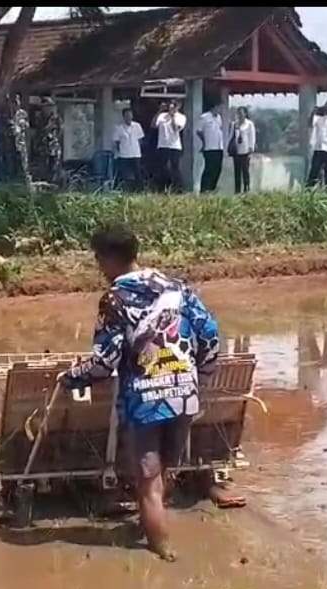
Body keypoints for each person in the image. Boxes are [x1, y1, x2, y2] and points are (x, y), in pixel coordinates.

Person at [60, 224, 220, 562]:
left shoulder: (115, 299)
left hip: (145, 401)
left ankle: (160, 547)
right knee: (164, 471)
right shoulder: (178, 288)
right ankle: (156, 528)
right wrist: (199, 378)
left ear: (108, 259)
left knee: (147, 483)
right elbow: (210, 336)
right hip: (184, 395)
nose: (100, 269)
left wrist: (70, 379)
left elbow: (104, 363)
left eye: (99, 261)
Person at [153, 100, 186, 192]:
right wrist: (159, 111)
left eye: (174, 106)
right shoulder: (162, 116)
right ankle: (163, 187)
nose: (171, 107)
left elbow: (176, 129)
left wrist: (172, 117)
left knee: (175, 167)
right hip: (162, 145)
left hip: (175, 146)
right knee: (162, 167)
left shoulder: (181, 117)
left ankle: (178, 187)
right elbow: (154, 125)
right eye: (170, 105)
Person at [113, 107, 145, 192]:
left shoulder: (137, 126)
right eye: (126, 115)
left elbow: (140, 139)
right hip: (124, 154)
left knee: (138, 173)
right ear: (123, 116)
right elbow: (117, 142)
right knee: (124, 174)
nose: (129, 117)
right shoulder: (119, 128)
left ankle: (139, 191)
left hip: (136, 153)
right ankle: (125, 190)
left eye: (130, 115)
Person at [197, 103, 225, 193]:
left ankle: (212, 188)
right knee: (209, 168)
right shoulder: (205, 117)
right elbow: (199, 131)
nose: (220, 110)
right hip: (209, 147)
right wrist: (204, 141)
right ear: (215, 107)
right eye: (219, 107)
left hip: (219, 147)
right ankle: (204, 189)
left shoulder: (219, 118)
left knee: (218, 168)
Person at [229, 106, 256, 194]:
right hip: (236, 151)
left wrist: (251, 149)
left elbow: (252, 137)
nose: (240, 115)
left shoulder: (249, 124)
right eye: (238, 113)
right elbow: (231, 136)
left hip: (245, 150)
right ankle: (237, 190)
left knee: (245, 170)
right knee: (237, 171)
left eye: (242, 113)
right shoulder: (234, 124)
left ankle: (246, 188)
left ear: (245, 114)